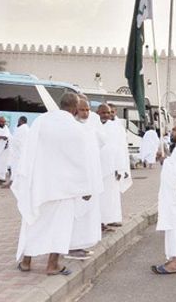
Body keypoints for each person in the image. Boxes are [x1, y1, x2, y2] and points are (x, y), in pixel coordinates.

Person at [13, 93, 102, 275]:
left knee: (34, 221)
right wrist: (87, 188)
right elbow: (83, 160)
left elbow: (29, 150)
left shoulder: (41, 121)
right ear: (75, 108)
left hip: (40, 185)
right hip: (64, 188)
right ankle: (52, 265)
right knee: (60, 227)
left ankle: (26, 262)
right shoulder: (77, 129)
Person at [66, 98, 104, 260]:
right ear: (75, 110)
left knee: (87, 215)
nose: (86, 113)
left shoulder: (89, 128)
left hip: (91, 179)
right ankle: (71, 248)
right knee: (77, 215)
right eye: (82, 110)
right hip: (78, 183)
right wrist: (83, 184)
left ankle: (80, 245)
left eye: (88, 110)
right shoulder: (72, 129)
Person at [151, 122, 176, 274]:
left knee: (174, 225)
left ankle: (174, 262)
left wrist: (164, 161)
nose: (171, 132)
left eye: (174, 130)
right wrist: (167, 160)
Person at [97, 104, 123, 231]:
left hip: (111, 168)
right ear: (98, 113)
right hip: (96, 168)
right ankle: (99, 223)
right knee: (98, 197)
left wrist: (120, 167)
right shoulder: (93, 125)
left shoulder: (114, 127)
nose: (106, 115)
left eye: (108, 113)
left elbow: (119, 149)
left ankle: (106, 221)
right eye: (103, 113)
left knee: (108, 197)